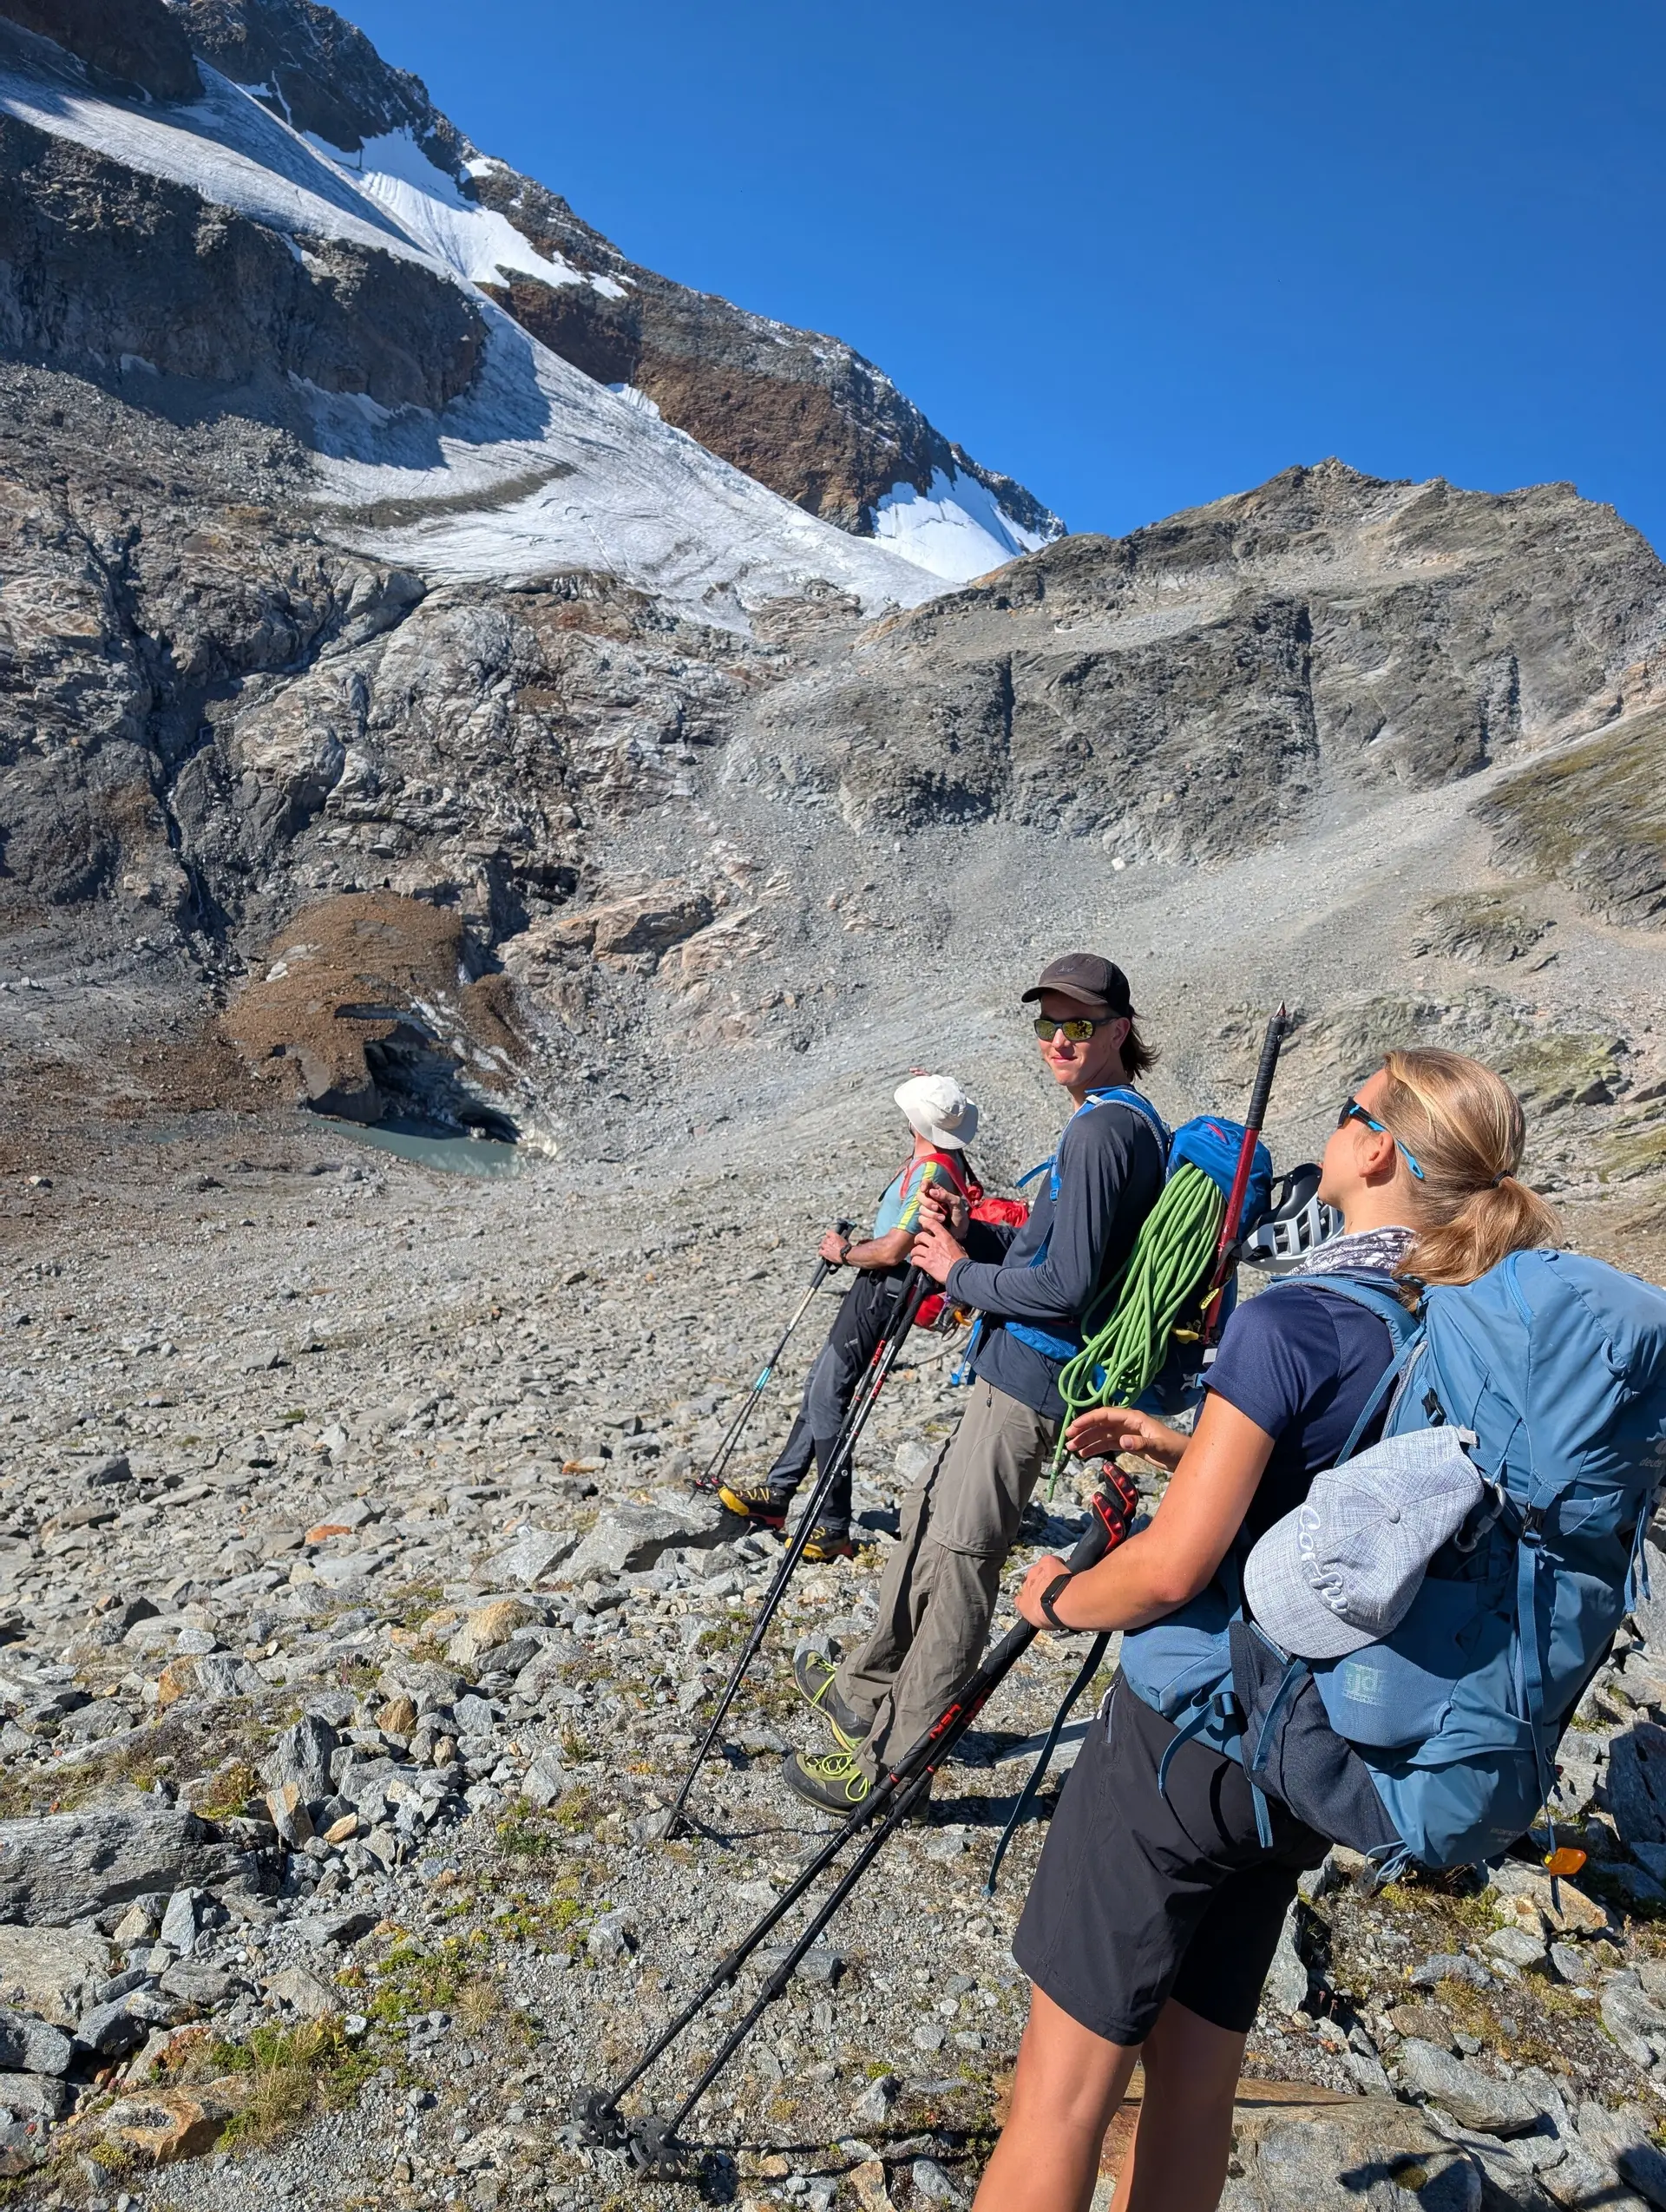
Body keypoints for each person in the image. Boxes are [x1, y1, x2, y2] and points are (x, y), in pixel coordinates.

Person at [974, 1047, 1561, 2212]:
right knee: (1196, 2092)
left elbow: (1172, 1569)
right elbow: (1347, 1492)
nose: (1332, 1126)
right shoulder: (1444, 1330)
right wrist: (1184, 1443)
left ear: (1378, 1148)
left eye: (1350, 1109)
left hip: (1182, 1740)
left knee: (1061, 2102)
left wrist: (1053, 1600)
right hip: (1306, 1758)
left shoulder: (1294, 1316)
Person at [782, 953, 1167, 1813]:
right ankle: (868, 1692)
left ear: (1120, 1030)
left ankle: (896, 1765)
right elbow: (1057, 1257)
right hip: (1014, 1369)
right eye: (1048, 1024)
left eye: (1078, 1024)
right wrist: (974, 1237)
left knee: (960, 1558)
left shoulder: (1102, 1132)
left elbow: (1066, 1288)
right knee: (929, 1521)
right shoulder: (1111, 1122)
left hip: (1032, 1379)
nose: (1059, 1039)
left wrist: (956, 1271)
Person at [718, 1074, 981, 1564]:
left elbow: (895, 1249)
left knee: (828, 1393)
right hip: (878, 1288)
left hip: (885, 1289)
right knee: (820, 1382)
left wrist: (843, 1251)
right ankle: (779, 1493)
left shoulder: (933, 1171)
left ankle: (832, 1521)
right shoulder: (936, 1160)